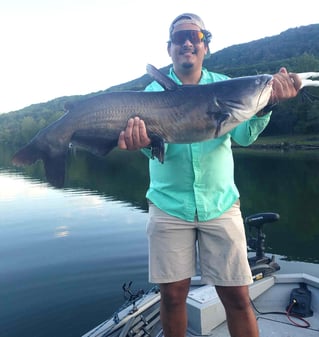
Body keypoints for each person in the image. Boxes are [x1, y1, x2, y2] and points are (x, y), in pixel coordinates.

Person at [118, 13, 301, 337]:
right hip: (168, 205)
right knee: (172, 298)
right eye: (179, 38)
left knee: (237, 297)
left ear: (205, 46)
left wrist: (268, 103)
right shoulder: (148, 93)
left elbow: (244, 136)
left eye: (195, 37)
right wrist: (142, 144)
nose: (187, 42)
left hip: (221, 203)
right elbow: (153, 152)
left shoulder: (225, 84)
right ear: (170, 48)